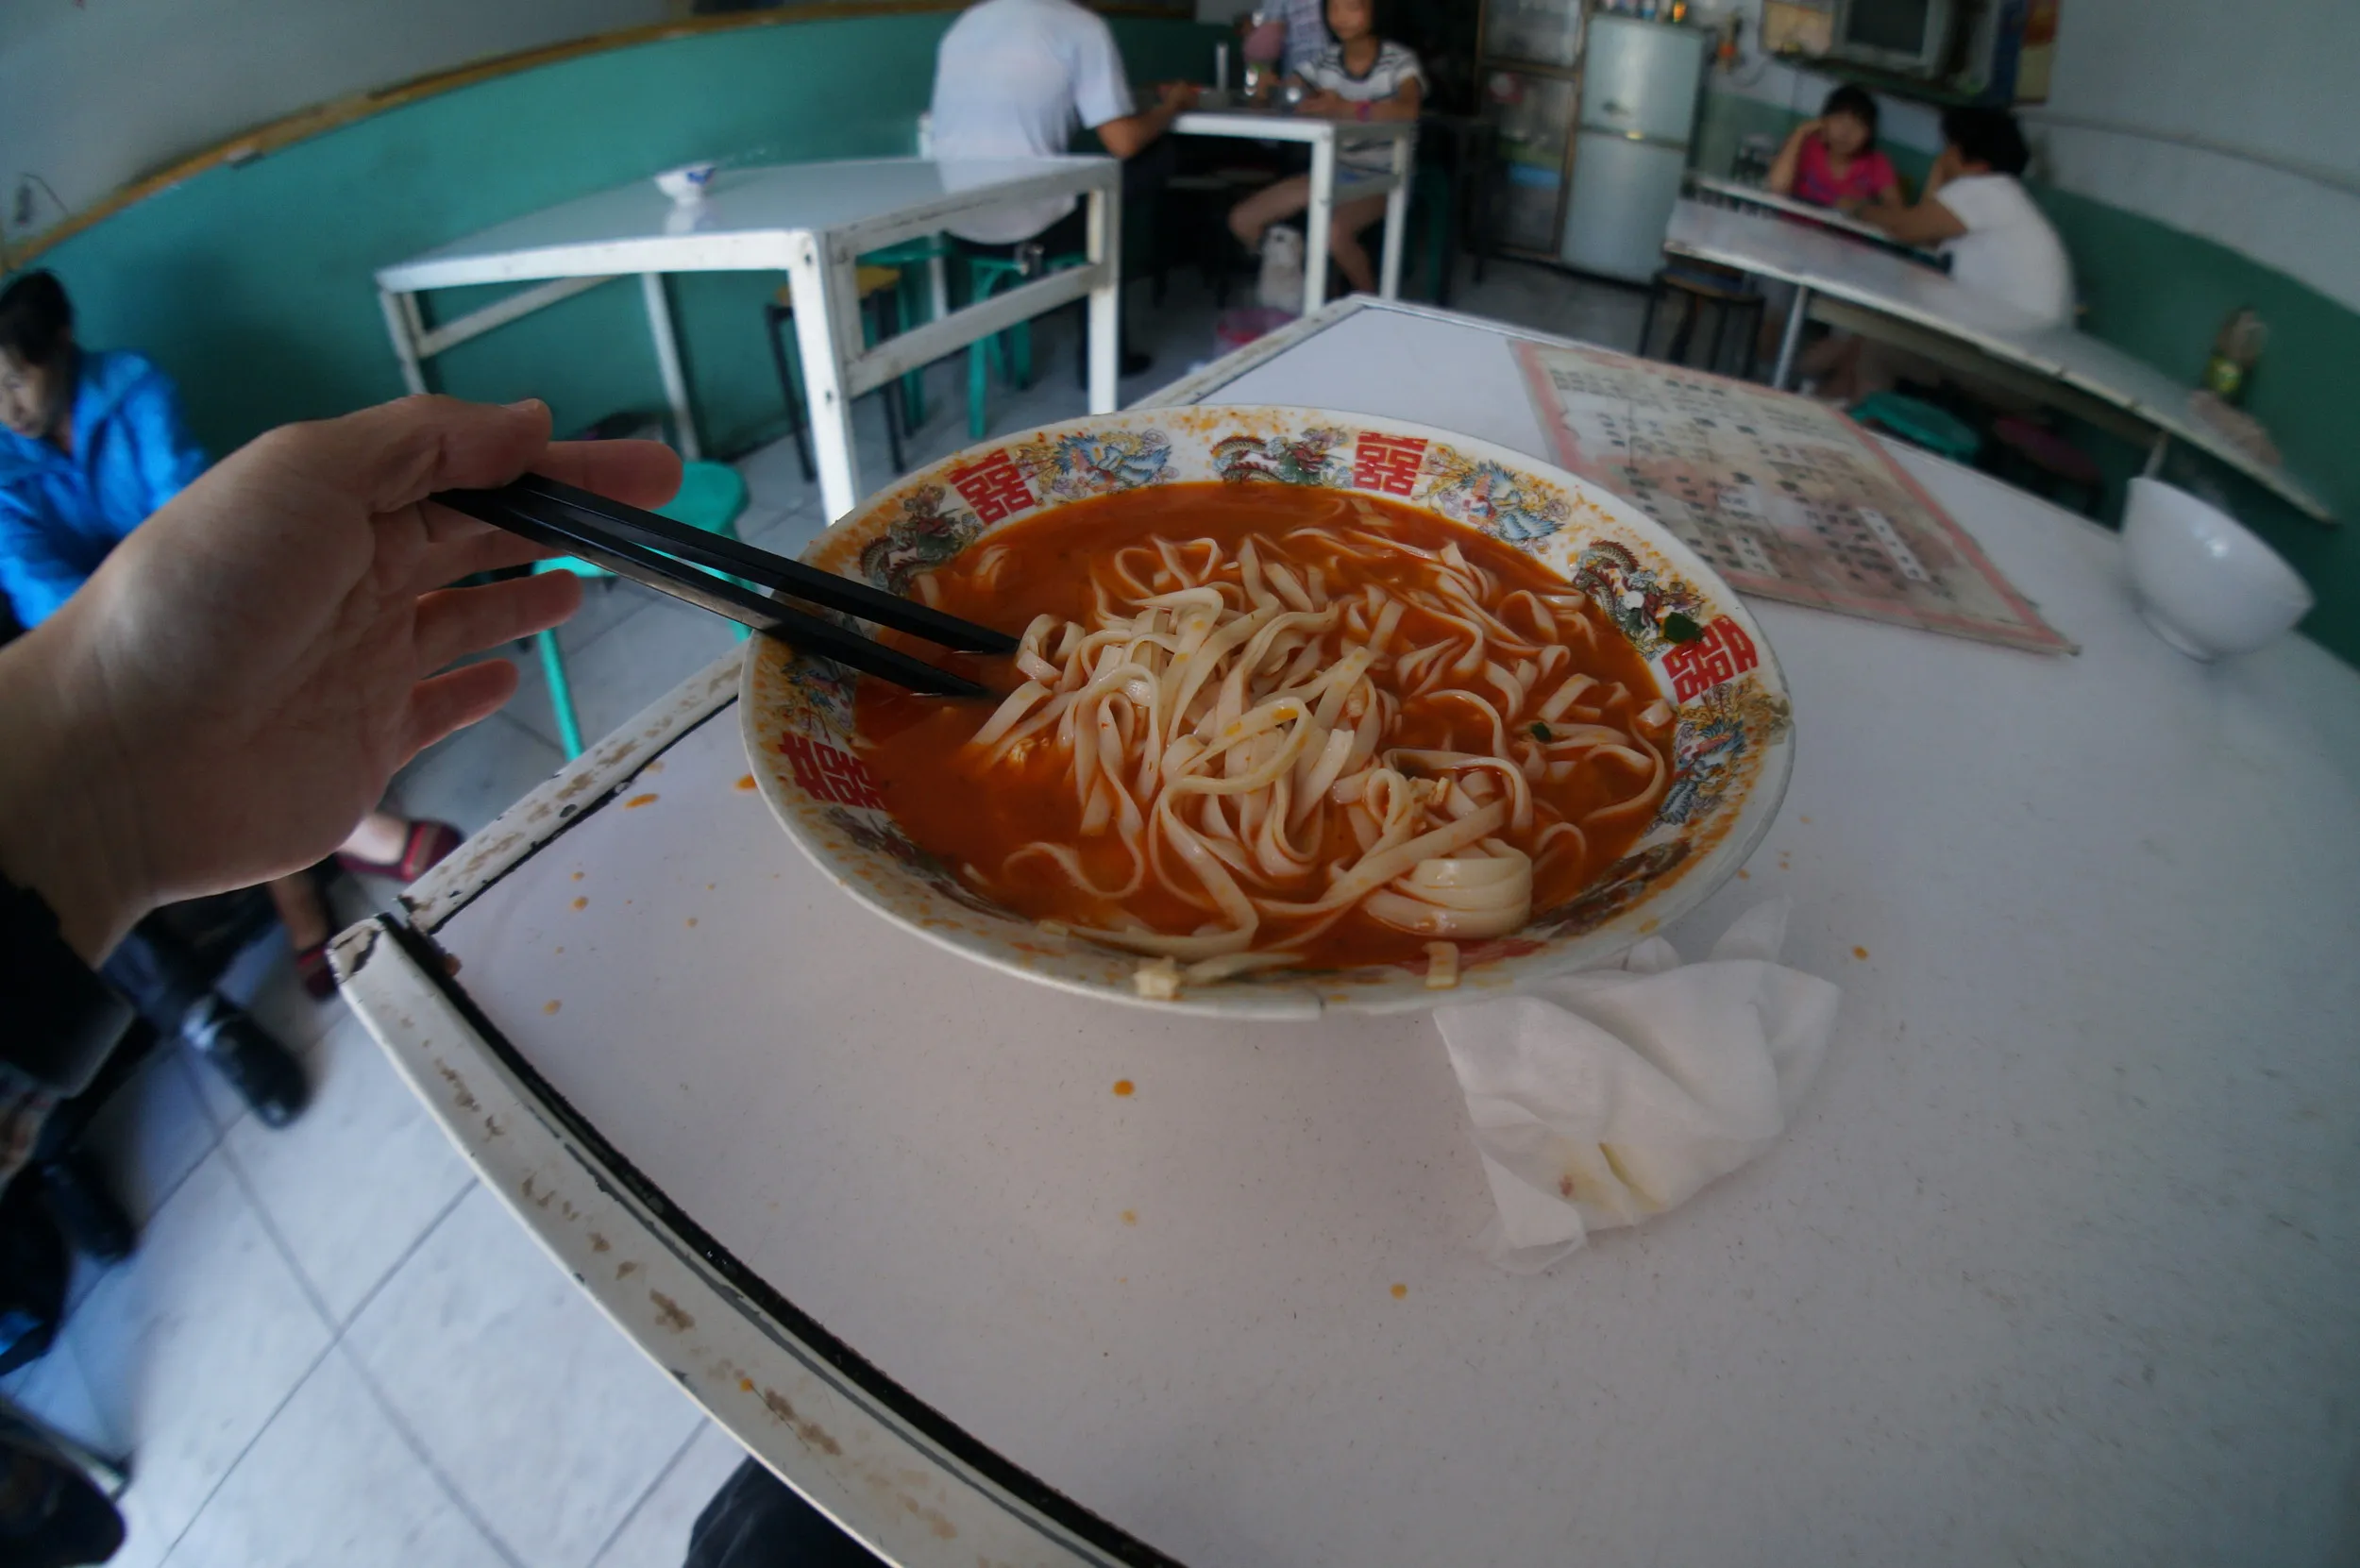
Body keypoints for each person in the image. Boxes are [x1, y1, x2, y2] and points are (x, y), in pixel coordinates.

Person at [0, 271, 460, 1114]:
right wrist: (131, 626)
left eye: (15, 377)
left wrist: (153, 613)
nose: (8, 406)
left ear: (58, 343)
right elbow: (36, 587)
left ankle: (311, 899)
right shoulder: (2, 464)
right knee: (194, 717)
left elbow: (197, 518)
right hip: (112, 664)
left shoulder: (135, 386)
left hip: (192, 623)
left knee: (233, 669)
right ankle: (349, 844)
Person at [927, 0, 1200, 373]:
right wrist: (1171, 106)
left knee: (1095, 190)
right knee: (1156, 156)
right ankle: (1104, 359)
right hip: (1032, 228)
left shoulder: (963, 26)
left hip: (960, 226)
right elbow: (1123, 141)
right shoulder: (1080, 26)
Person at [1227, 0, 1424, 298]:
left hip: (1384, 178)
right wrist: (1267, 89)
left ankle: (1372, 306)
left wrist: (1347, 108)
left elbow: (1409, 110)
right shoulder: (1325, 61)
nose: (1341, 18)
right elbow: (1286, 93)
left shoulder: (1399, 61)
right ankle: (1301, 276)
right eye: (1334, 8)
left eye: (1353, 7)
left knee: (1334, 233)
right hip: (1332, 171)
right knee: (1243, 221)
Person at [1859, 106, 2074, 329]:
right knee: (1874, 332)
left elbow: (1908, 230)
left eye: (1949, 146)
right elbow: (1928, 236)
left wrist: (1859, 209)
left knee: (1882, 328)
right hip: (2029, 333)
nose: (1944, 154)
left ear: (1973, 159)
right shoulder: (2003, 192)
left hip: (2015, 335)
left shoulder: (1985, 189)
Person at [1766, 85, 1901, 214]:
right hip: (1792, 230)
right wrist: (1801, 132)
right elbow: (1777, 188)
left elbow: (1896, 212)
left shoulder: (1877, 163)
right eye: (1839, 120)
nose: (1845, 132)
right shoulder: (1807, 146)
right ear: (1824, 121)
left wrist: (1862, 209)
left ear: (1869, 134)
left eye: (1858, 125)